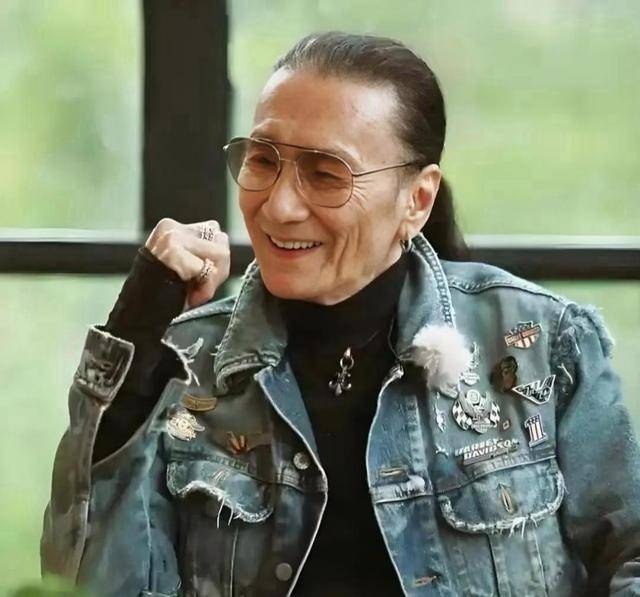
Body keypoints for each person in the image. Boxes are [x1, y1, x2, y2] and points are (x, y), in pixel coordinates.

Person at [41, 31, 640, 597]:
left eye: (326, 174)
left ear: (417, 199)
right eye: (263, 161)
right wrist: (135, 332)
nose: (278, 206)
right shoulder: (181, 366)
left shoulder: (538, 345)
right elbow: (85, 580)